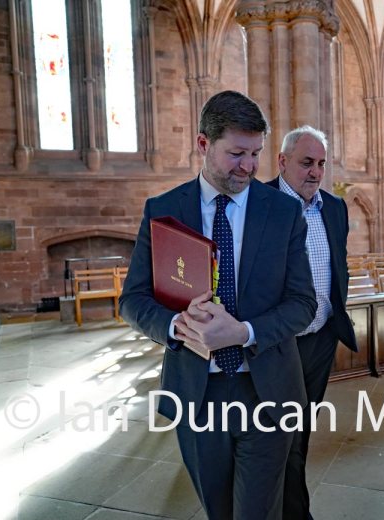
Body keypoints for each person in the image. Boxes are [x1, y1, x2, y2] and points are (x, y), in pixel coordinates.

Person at [119, 90, 317, 520]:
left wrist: (243, 332)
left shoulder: (283, 212)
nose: (248, 166)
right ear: (203, 144)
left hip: (267, 390)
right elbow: (132, 300)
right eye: (236, 153)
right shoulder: (164, 211)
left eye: (256, 153)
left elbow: (303, 303)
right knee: (219, 512)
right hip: (197, 393)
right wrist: (177, 327)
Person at [266, 126, 358, 520]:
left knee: (300, 434)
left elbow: (339, 265)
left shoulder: (334, 207)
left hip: (320, 340)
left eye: (321, 163)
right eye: (306, 163)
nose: (315, 172)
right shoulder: (259, 204)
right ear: (282, 162)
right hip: (278, 345)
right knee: (278, 440)